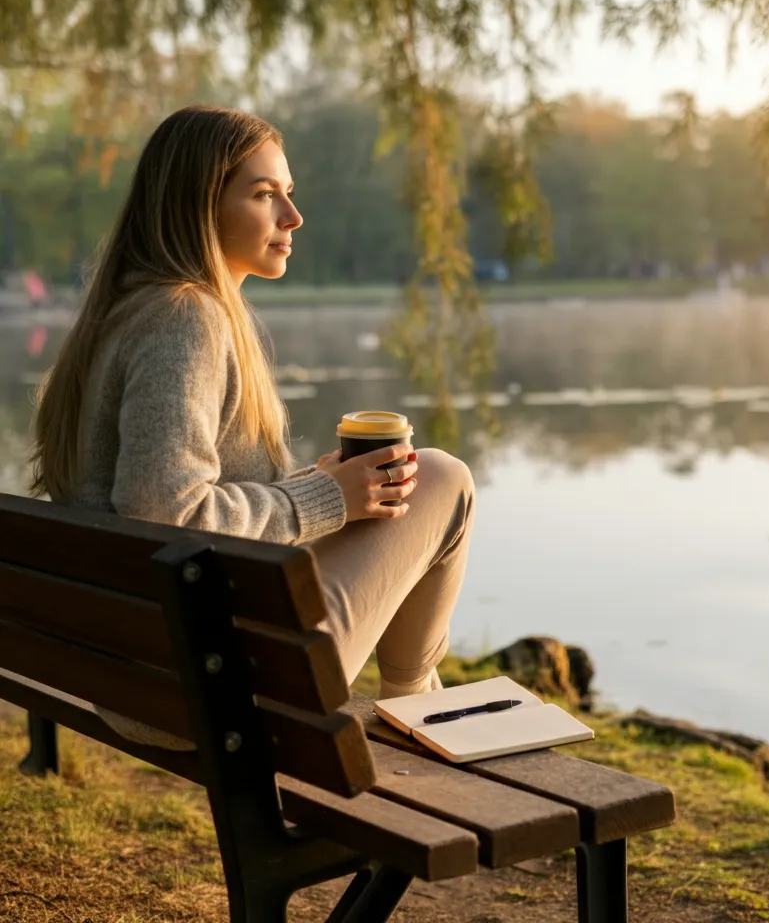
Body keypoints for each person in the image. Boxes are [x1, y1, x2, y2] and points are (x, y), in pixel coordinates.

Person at [29, 106, 475, 750]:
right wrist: (325, 499)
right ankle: (414, 706)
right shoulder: (186, 318)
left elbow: (164, 498)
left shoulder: (130, 308)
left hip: (143, 670)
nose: (292, 218)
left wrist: (317, 491)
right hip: (208, 685)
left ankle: (414, 702)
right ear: (198, 204)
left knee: (395, 495)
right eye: (265, 195)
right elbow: (162, 511)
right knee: (441, 477)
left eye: (288, 194)